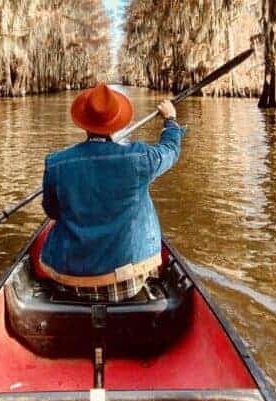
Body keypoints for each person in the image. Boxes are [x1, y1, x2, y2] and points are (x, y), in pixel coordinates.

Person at [36, 83, 185, 302]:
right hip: (128, 283)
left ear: (83, 124)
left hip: (70, 281)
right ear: (115, 125)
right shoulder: (140, 158)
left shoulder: (56, 163)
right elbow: (171, 150)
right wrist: (170, 120)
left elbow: (52, 212)